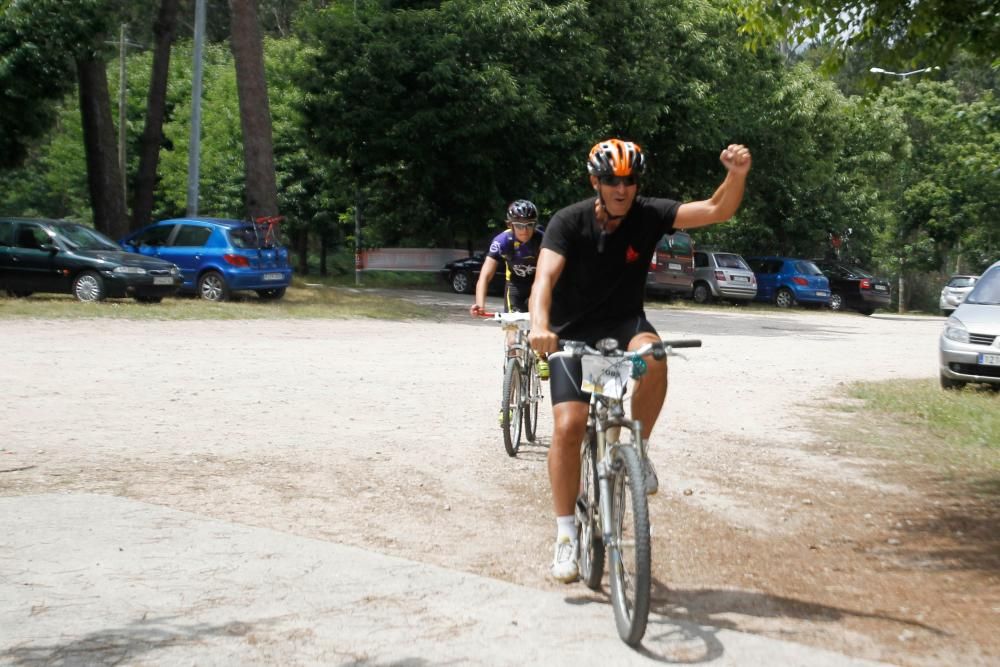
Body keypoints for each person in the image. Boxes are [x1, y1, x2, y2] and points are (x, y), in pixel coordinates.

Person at [528, 138, 752, 582]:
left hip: (624, 327)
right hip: (571, 334)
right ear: (596, 181)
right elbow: (543, 279)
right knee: (570, 427)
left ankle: (639, 450)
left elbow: (715, 209)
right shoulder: (567, 222)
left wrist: (737, 175)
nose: (622, 188)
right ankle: (566, 535)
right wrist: (540, 325)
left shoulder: (648, 213)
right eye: (612, 180)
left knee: (657, 357)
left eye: (629, 181)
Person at [470, 199, 549, 379]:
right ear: (510, 224)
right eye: (519, 225)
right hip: (515, 287)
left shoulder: (543, 239)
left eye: (530, 225)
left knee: (539, 324)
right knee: (513, 342)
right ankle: (510, 400)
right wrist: (479, 304)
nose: (525, 230)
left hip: (539, 285)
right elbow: (485, 276)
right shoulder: (502, 241)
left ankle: (541, 354)